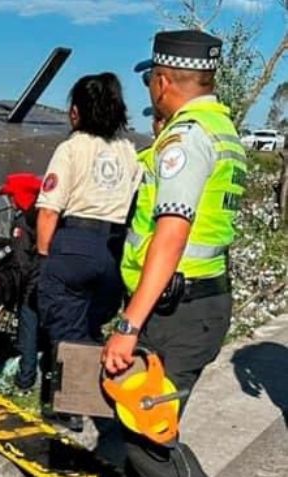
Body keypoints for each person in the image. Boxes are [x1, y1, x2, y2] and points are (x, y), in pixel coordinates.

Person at [104, 30, 246, 477]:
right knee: (146, 426)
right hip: (198, 300)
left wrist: (128, 326)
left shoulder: (186, 140)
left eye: (150, 81)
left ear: (162, 81)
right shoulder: (223, 130)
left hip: (178, 310)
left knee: (148, 436)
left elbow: (172, 235)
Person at [35, 72, 141, 348]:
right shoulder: (128, 151)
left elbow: (49, 211)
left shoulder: (71, 148)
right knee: (92, 331)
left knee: (65, 340)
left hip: (73, 244)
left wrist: (44, 261)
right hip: (113, 249)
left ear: (75, 112)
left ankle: (66, 388)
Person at [0, 173, 43, 393]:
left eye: (11, 196)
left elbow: (22, 260)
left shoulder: (23, 222)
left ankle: (26, 378)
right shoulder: (44, 215)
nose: (9, 201)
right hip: (49, 280)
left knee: (28, 329)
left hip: (32, 285)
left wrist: (16, 290)